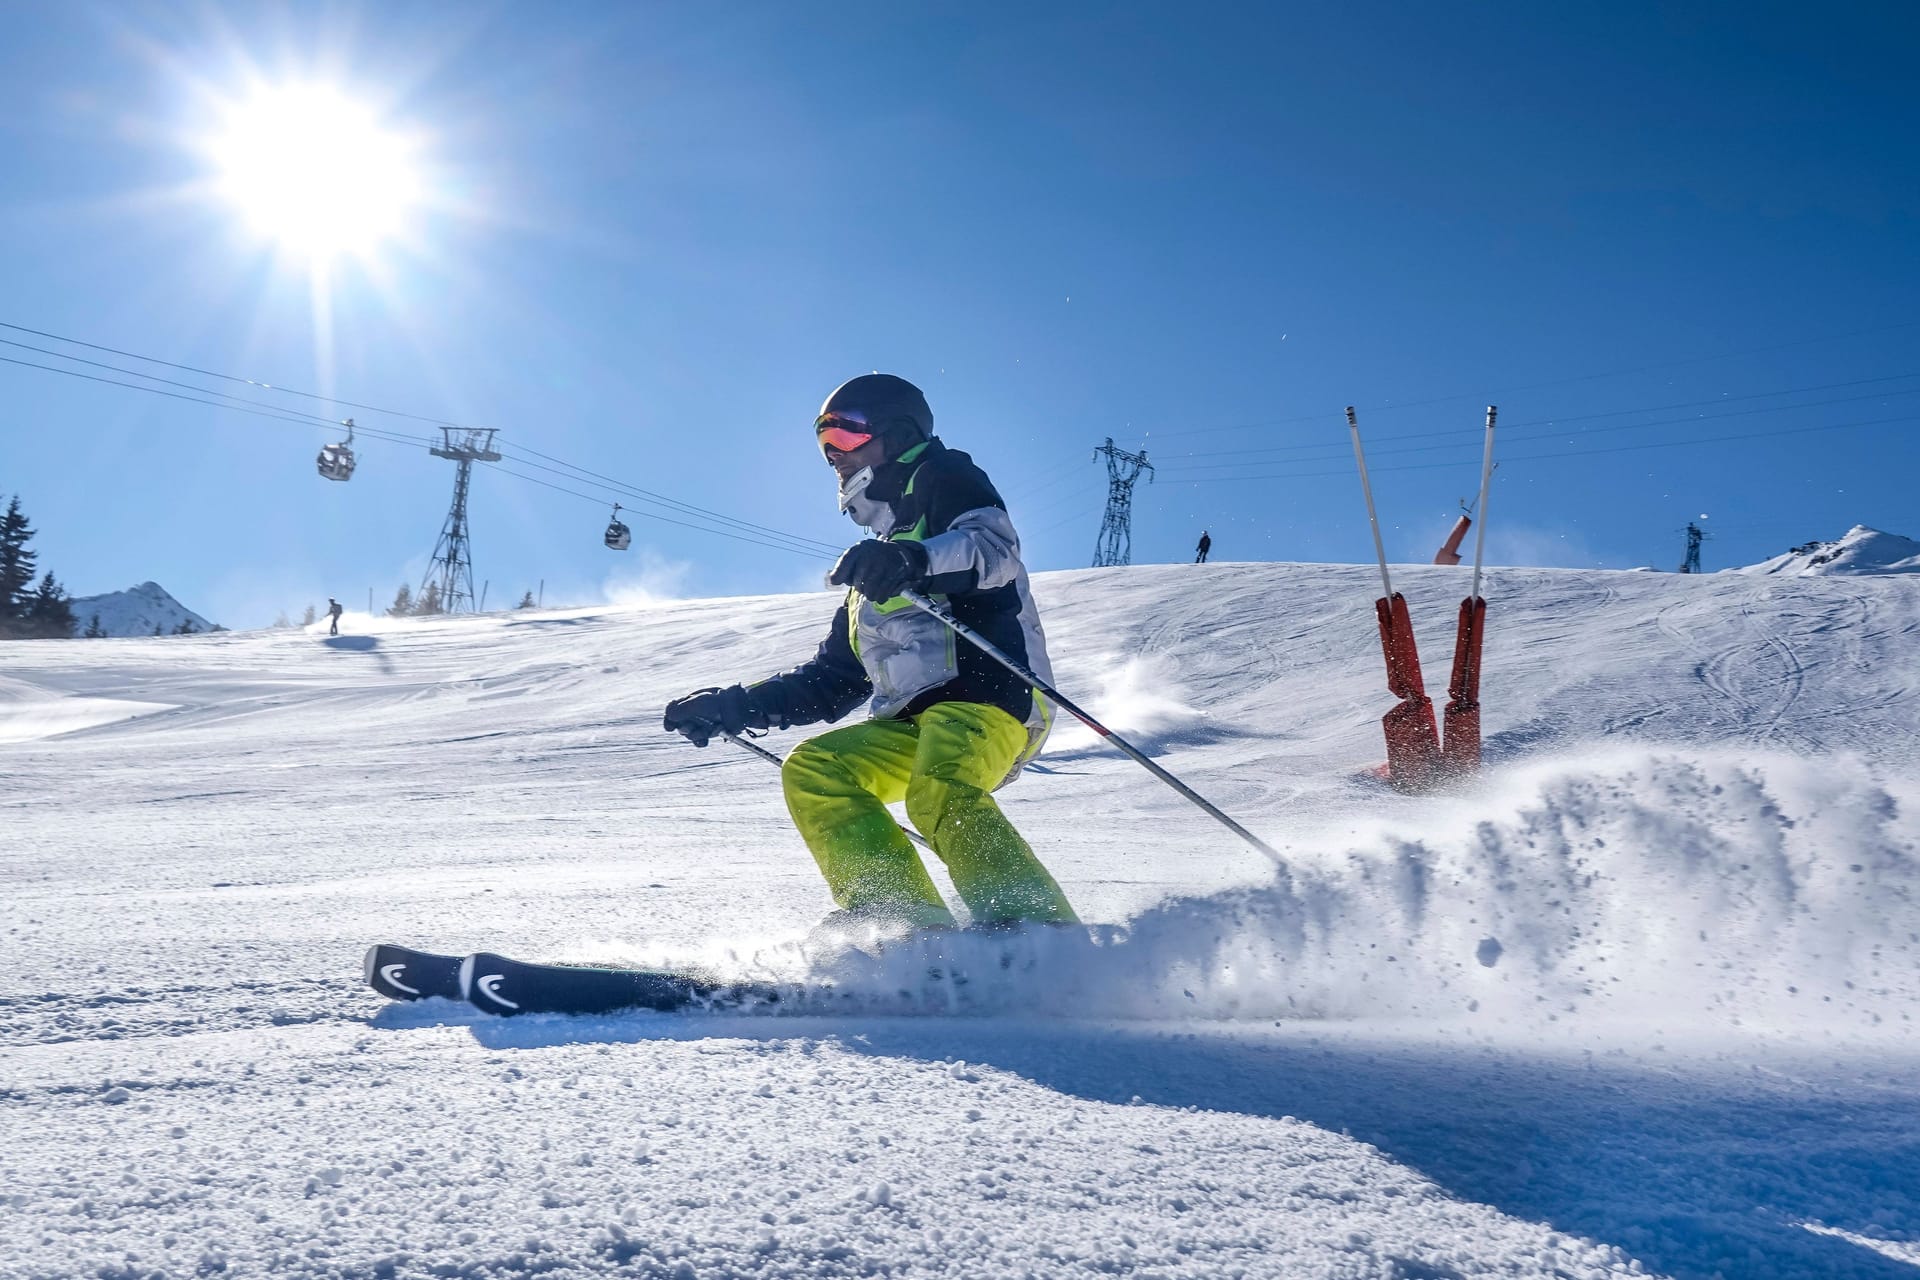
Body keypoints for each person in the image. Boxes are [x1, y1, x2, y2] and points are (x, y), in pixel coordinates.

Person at [662, 374, 1076, 931]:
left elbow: (994, 548)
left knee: (940, 790)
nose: (835, 452)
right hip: (911, 725)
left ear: (898, 433)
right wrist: (734, 706)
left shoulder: (944, 478)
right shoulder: (870, 575)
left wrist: (914, 561)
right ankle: (907, 926)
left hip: (990, 697)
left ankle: (1036, 934)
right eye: (824, 443)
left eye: (849, 433)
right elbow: (831, 681)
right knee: (817, 770)